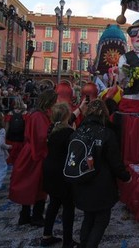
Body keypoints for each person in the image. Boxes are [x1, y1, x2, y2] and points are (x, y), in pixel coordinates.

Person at [71, 100, 131, 248]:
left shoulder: (78, 131)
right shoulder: (107, 134)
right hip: (102, 186)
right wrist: (126, 177)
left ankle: (83, 245)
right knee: (100, 222)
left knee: (88, 218)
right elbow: (115, 162)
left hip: (82, 183)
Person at [9, 89, 58, 227]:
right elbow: (42, 137)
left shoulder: (37, 114)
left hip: (31, 153)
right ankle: (35, 216)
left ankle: (26, 215)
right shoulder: (39, 116)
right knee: (37, 186)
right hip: (36, 154)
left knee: (31, 185)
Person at [41, 103, 79, 248]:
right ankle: (67, 241)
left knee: (54, 203)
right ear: (66, 116)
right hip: (62, 172)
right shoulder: (68, 133)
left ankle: (47, 235)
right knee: (68, 207)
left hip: (50, 169)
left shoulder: (52, 129)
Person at [5, 96, 28, 165]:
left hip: (11, 138)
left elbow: (7, 126)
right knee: (20, 156)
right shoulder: (26, 114)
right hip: (21, 138)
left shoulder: (10, 113)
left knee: (10, 156)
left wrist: (4, 136)